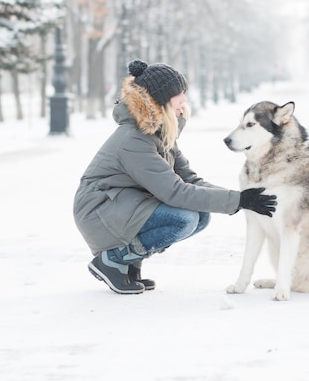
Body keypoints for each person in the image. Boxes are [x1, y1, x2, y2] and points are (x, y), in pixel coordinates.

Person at [73, 59, 276, 294]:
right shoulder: (134, 140)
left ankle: (126, 264)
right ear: (160, 100)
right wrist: (238, 201)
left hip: (121, 206)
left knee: (200, 217)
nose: (184, 101)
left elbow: (190, 179)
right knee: (184, 219)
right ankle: (113, 260)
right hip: (99, 212)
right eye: (179, 95)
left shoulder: (156, 135)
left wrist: (241, 198)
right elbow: (176, 192)